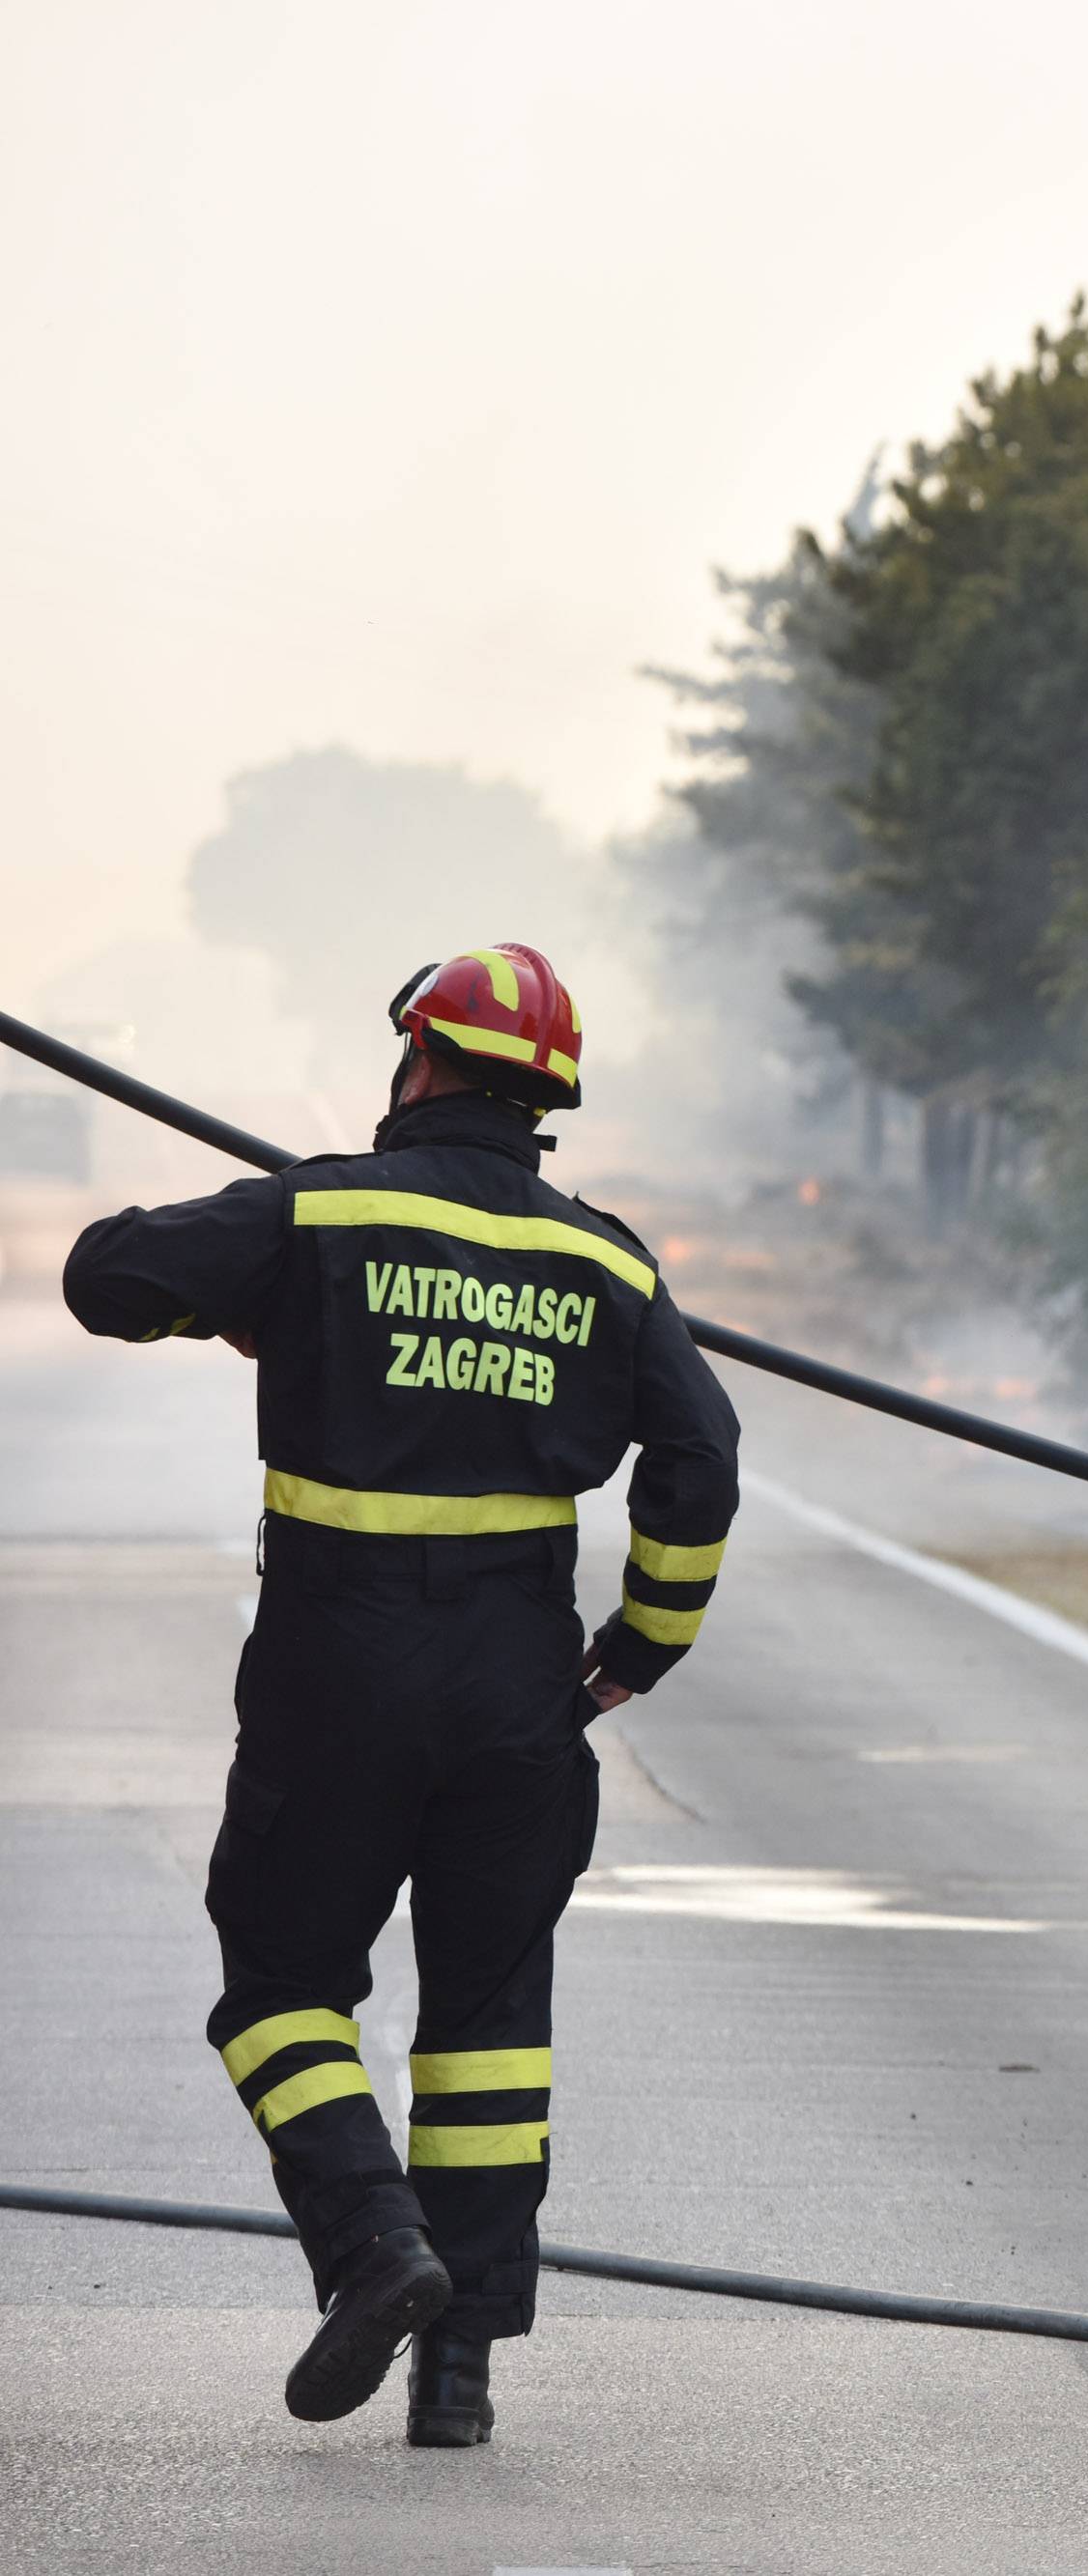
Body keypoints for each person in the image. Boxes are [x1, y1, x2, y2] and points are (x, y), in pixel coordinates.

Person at [63, 945, 740, 2446]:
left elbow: (104, 1275)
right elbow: (702, 1463)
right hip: (520, 1690)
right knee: (488, 2024)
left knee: (279, 1986)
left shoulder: (317, 1213)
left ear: (417, 1065)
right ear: (547, 1097)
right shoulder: (609, 1263)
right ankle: (462, 2372)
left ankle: (374, 2248)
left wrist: (242, 1298)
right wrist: (643, 1644)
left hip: (333, 1671)